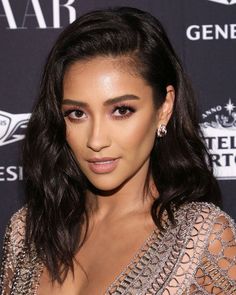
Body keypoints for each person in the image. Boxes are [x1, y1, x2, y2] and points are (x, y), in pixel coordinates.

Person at [0, 6, 236, 295]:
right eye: (76, 113)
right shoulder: (26, 231)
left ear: (164, 108)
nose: (97, 140)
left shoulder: (201, 238)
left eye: (121, 110)